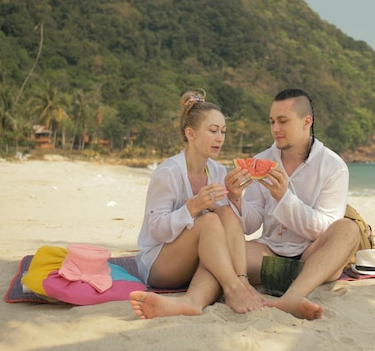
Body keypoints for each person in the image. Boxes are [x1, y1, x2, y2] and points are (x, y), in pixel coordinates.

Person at [225, 88, 361, 320]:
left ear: (306, 122)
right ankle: (302, 280)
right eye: (272, 122)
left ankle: (294, 295)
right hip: (268, 254)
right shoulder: (262, 160)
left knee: (348, 229)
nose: (275, 129)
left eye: (283, 121)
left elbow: (323, 228)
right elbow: (251, 224)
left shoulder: (333, 166)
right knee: (221, 252)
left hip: (313, 257)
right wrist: (236, 198)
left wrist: (283, 198)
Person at [129, 89, 266, 319]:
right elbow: (156, 230)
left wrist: (233, 197)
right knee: (210, 220)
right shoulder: (168, 173)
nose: (220, 138)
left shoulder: (217, 170)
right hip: (160, 264)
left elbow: (229, 225)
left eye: (223, 131)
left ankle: (200, 299)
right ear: (190, 133)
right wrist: (192, 208)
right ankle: (232, 288)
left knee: (224, 215)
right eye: (212, 131)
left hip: (197, 260)